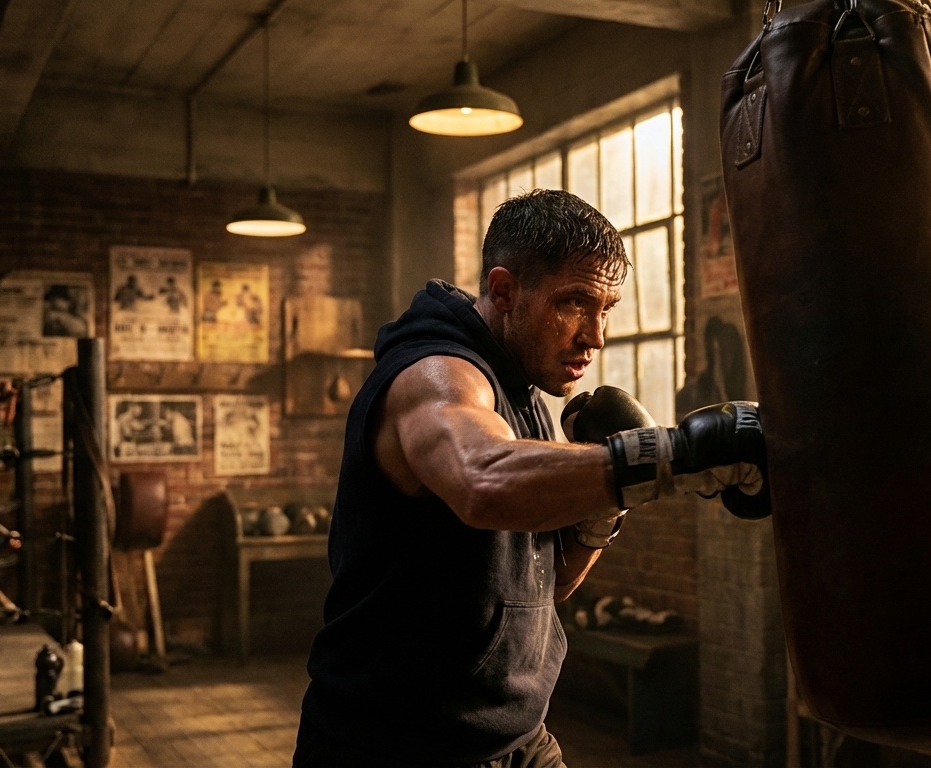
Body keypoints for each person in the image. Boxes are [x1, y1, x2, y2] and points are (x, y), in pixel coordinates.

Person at [294, 189, 768, 768]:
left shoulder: (521, 387)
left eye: (605, 309)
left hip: (517, 738)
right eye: (574, 303)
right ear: (503, 291)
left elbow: (549, 583)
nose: (595, 336)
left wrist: (605, 506)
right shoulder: (436, 374)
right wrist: (679, 455)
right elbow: (484, 482)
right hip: (393, 744)